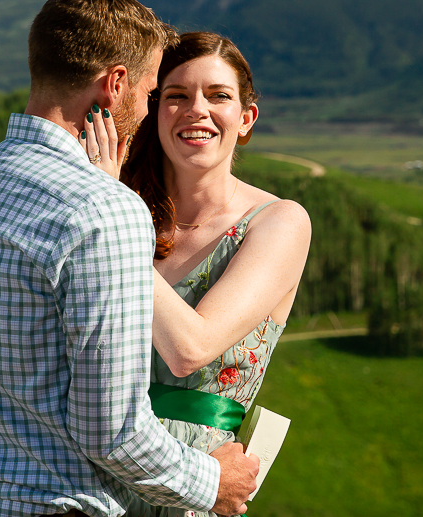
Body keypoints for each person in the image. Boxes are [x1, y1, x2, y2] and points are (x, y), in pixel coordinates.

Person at [0, 0, 259, 517]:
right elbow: (111, 430)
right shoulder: (104, 210)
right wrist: (211, 483)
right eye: (154, 91)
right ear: (116, 84)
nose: (149, 107)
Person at [79, 31, 311, 517]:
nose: (196, 110)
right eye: (177, 96)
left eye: (218, 96)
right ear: (154, 110)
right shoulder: (123, 208)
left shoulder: (279, 222)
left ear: (246, 118)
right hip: (87, 468)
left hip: (196, 479)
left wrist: (107, 217)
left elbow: (189, 350)